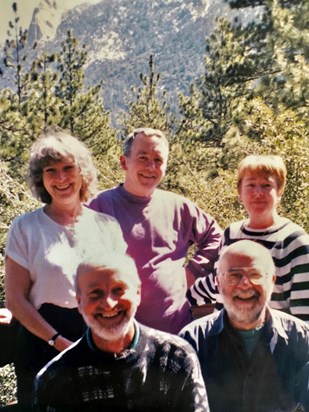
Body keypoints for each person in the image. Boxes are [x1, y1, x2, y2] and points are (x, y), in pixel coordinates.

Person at [4, 127, 127, 409]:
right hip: (42, 344)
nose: (61, 178)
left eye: (67, 168)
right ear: (40, 178)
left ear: (82, 172)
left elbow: (122, 292)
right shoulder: (25, 228)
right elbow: (15, 299)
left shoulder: (106, 227)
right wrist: (57, 341)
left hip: (97, 340)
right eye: (50, 171)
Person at [33, 251, 209, 412]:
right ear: (79, 302)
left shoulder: (175, 356)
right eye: (95, 293)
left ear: (138, 293)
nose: (109, 304)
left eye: (119, 290)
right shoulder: (55, 379)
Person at [89, 127, 222, 333]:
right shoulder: (97, 207)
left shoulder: (178, 207)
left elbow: (215, 236)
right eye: (143, 157)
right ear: (124, 162)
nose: (151, 166)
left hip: (174, 333)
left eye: (158, 160)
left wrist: (191, 273)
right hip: (116, 335)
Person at [180, 240, 309, 412]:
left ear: (271, 281)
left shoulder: (300, 338)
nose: (245, 283)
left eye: (255, 274)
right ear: (217, 283)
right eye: (233, 275)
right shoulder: (191, 341)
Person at [189, 154, 309, 322]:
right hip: (226, 340)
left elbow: (304, 316)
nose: (258, 192)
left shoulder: (294, 242)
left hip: (272, 344)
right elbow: (219, 285)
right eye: (251, 185)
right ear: (240, 192)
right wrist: (176, 296)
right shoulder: (232, 234)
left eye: (266, 185)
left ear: (280, 191)